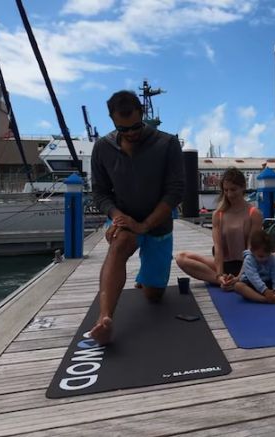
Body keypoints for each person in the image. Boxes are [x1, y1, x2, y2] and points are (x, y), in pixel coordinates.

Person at [89, 90, 185, 345]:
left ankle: (145, 279)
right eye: (123, 128)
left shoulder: (168, 144)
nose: (131, 133)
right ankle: (104, 319)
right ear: (111, 120)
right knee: (120, 244)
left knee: (154, 296)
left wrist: (144, 225)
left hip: (158, 225)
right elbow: (99, 192)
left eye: (135, 127)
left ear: (142, 114)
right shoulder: (102, 147)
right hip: (125, 221)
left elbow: (175, 192)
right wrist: (117, 216)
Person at [175, 167, 275, 290]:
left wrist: (240, 275)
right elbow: (218, 248)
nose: (229, 194)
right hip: (226, 264)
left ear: (243, 187)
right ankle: (222, 281)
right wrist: (220, 275)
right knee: (182, 257)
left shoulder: (254, 213)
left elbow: (251, 249)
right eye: (226, 190)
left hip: (252, 264)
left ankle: (241, 280)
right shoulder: (218, 215)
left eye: (233, 189)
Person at [234, 230, 275, 304]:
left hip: (268, 282)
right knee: (238, 286)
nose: (265, 259)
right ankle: (264, 299)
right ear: (252, 251)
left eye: (267, 255)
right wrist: (265, 291)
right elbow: (253, 277)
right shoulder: (249, 259)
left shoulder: (271, 257)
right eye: (261, 256)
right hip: (252, 285)